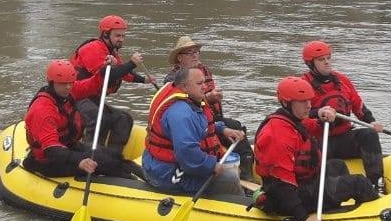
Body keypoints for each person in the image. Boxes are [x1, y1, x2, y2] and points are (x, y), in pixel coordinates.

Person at [253, 77, 376, 221]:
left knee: (337, 165)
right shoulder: (278, 135)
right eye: (302, 102)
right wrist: (304, 218)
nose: (309, 105)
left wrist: (325, 118)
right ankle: (379, 216)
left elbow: (315, 126)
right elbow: (281, 186)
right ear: (286, 103)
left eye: (309, 101)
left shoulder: (294, 120)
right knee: (359, 183)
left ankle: (339, 214)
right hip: (290, 196)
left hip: (303, 184)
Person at [142, 66, 246, 198]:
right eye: (199, 83)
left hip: (169, 164)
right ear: (184, 87)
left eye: (204, 82)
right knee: (228, 177)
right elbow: (187, 152)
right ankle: (238, 205)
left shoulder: (189, 101)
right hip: (167, 173)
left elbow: (200, 124)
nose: (204, 87)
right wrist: (211, 165)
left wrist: (223, 129)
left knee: (226, 169)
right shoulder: (180, 113)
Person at [22, 60, 137, 179]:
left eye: (70, 83)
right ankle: (128, 181)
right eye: (62, 84)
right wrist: (79, 161)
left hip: (69, 147)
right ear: (51, 82)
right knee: (104, 164)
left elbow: (91, 84)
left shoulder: (68, 92)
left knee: (113, 155)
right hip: (49, 160)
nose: (67, 87)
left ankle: (139, 174)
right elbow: (52, 149)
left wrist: (103, 70)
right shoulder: (42, 110)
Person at [300, 40, 387, 196]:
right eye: (321, 60)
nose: (327, 62)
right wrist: (319, 113)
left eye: (328, 58)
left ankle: (376, 183)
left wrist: (371, 121)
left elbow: (358, 105)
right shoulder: (302, 85)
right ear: (311, 64)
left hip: (343, 137)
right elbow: (299, 116)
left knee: (369, 135)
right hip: (318, 140)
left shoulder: (342, 81)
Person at [164, 35, 255, 176]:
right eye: (190, 53)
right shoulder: (173, 79)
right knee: (233, 125)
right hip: (197, 120)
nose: (195, 55)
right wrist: (209, 98)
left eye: (196, 52)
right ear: (180, 58)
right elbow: (185, 105)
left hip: (210, 117)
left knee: (235, 125)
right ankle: (244, 172)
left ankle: (246, 166)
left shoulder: (203, 71)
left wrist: (214, 96)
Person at [70, 15, 157, 154]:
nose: (121, 39)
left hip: (93, 98)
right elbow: (107, 75)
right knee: (99, 118)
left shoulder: (111, 52)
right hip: (77, 96)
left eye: (123, 36)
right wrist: (132, 63)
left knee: (124, 119)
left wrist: (144, 80)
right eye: (117, 35)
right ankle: (90, 155)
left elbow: (123, 72)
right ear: (105, 34)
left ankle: (112, 156)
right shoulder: (92, 48)